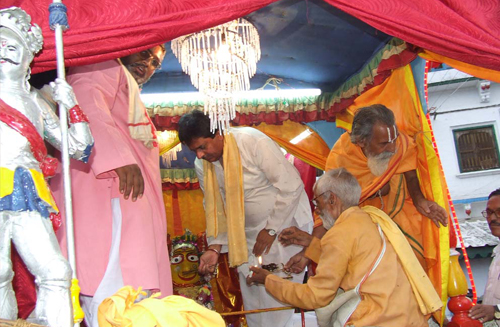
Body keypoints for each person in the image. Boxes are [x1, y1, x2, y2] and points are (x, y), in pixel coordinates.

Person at [51, 44, 171, 327]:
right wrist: (117, 158)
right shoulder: (102, 63)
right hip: (108, 193)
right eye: (143, 53)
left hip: (124, 198)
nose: (148, 64)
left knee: (129, 299)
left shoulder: (126, 86)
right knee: (113, 297)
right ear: (124, 47)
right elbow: (84, 100)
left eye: (155, 62)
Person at [247, 168, 442, 326]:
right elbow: (352, 258)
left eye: (317, 201)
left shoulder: (339, 234)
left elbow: (315, 297)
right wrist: (309, 242)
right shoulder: (369, 218)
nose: (317, 209)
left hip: (378, 319)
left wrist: (269, 280)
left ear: (332, 199)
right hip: (409, 318)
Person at [0, 7, 94, 327]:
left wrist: (71, 105)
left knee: (56, 271)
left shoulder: (38, 103)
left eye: (11, 47)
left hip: (28, 192)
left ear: (28, 58)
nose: (3, 53)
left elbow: (79, 148)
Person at [177, 109, 313, 327]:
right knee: (254, 304)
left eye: (202, 147)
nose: (200, 155)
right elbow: (216, 208)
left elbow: (291, 185)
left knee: (278, 299)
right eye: (195, 151)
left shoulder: (251, 141)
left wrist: (271, 230)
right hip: (245, 237)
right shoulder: (202, 165)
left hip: (285, 227)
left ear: (219, 133)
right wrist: (215, 247)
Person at [325, 104, 448, 268]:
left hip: (399, 214)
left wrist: (420, 200)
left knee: (415, 254)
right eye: (383, 143)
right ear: (362, 141)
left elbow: (410, 175)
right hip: (362, 223)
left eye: (394, 139)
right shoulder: (340, 158)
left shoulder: (401, 144)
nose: (392, 148)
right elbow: (335, 201)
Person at [469, 188, 500, 325]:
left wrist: (495, 310)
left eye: (499, 212)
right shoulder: (497, 252)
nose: (492, 218)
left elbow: (494, 309)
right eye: (489, 213)